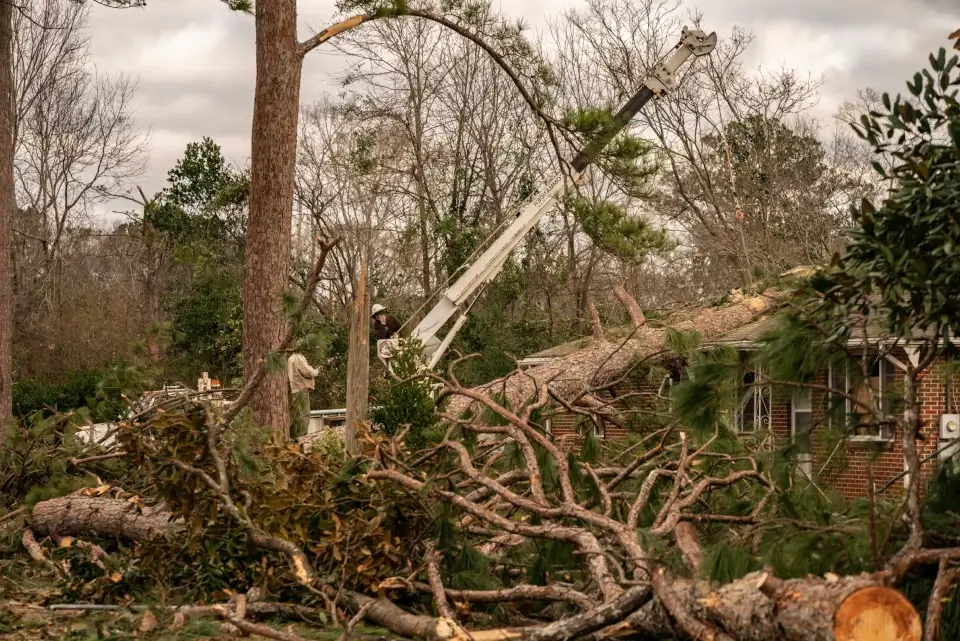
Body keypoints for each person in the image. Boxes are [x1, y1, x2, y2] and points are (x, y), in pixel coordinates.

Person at [287, 352, 319, 439]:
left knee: (296, 414)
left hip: (293, 389)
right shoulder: (298, 357)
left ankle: (294, 436)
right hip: (300, 388)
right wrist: (316, 371)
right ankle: (302, 437)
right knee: (304, 414)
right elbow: (308, 372)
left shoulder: (291, 358)